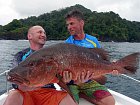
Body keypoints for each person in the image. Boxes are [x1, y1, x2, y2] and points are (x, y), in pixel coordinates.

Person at [4, 25, 77, 105]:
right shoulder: (20, 56)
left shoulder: (53, 55)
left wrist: (66, 80)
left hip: (48, 92)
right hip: (25, 92)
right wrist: (24, 86)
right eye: (39, 32)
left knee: (69, 101)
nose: (43, 35)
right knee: (13, 96)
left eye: (44, 33)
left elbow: (61, 80)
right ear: (29, 36)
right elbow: (14, 77)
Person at [63, 10, 116, 105]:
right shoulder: (67, 44)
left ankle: (83, 94)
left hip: (90, 81)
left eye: (71, 23)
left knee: (110, 102)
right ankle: (78, 92)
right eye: (68, 25)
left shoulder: (93, 40)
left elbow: (101, 61)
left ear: (81, 23)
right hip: (73, 83)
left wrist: (113, 66)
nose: (69, 27)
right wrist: (70, 80)